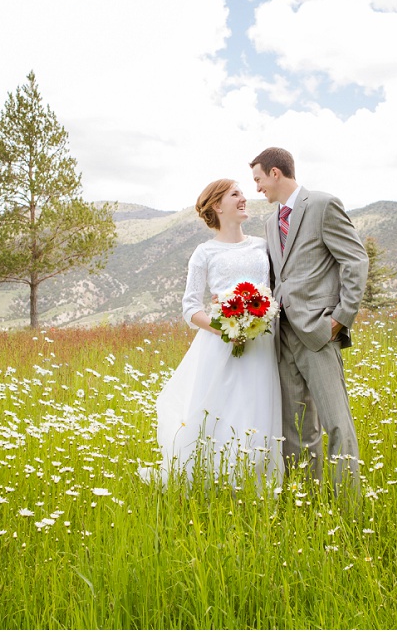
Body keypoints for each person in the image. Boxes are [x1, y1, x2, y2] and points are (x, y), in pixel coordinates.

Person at [143, 179, 283, 486]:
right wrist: (223, 329)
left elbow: (277, 290)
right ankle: (215, 480)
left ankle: (258, 482)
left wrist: (260, 315)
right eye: (236, 194)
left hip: (262, 343)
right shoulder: (204, 253)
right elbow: (190, 307)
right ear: (218, 206)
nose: (244, 198)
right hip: (222, 343)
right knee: (220, 412)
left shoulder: (262, 245)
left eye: (243, 193)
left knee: (258, 408)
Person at [250, 147, 368, 489]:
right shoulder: (271, 221)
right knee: (296, 429)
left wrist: (340, 319)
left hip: (319, 332)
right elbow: (278, 277)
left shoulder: (322, 205)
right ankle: (310, 507)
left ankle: (348, 512)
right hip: (282, 335)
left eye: (258, 179)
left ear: (275, 173)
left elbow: (355, 261)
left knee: (336, 425)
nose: (257, 188)